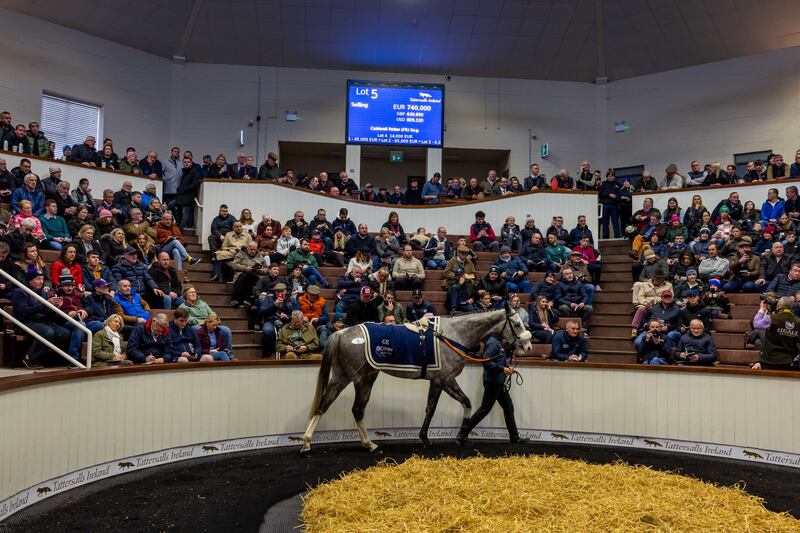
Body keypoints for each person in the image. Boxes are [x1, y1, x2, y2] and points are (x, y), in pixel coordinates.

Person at [456, 333, 529, 446]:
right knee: (485, 409)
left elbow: (496, 360)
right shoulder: (494, 343)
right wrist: (502, 369)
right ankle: (462, 434)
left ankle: (514, 438)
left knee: (508, 407)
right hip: (493, 381)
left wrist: (505, 368)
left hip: (497, 381)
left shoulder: (497, 343)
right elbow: (486, 362)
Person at [12, 265, 72, 368]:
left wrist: (54, 308)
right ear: (30, 280)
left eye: (43, 279)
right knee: (48, 332)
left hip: (41, 321)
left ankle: (43, 358)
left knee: (64, 333)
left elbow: (45, 312)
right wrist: (45, 304)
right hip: (25, 322)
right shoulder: (20, 292)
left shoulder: (43, 293)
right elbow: (23, 312)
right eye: (38, 279)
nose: (41, 282)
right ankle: (30, 358)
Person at [752, 296, 800, 370]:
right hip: (787, 361)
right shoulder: (798, 321)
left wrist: (762, 309)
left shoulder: (772, 318)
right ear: (791, 307)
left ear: (778, 306)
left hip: (769, 361)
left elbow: (756, 324)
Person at [230, 241, 269, 307]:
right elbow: (234, 265)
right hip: (240, 277)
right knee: (245, 276)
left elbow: (266, 268)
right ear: (247, 248)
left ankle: (244, 300)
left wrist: (261, 271)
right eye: (251, 249)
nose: (253, 251)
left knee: (251, 276)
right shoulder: (240, 254)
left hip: (254, 276)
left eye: (254, 250)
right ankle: (236, 299)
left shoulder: (260, 257)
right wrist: (244, 268)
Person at [599, 171, 621, 238]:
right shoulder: (603, 184)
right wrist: (609, 194)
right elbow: (601, 194)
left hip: (615, 205)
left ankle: (617, 237)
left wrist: (616, 197)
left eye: (612, 176)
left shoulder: (618, 184)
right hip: (605, 205)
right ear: (607, 177)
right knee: (605, 223)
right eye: (609, 176)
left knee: (615, 222)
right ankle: (605, 237)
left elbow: (620, 194)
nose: (611, 177)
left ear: (614, 177)